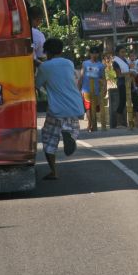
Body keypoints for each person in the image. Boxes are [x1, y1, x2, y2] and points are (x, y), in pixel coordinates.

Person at [35, 38, 84, 180]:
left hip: (56, 109)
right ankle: (69, 135)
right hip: (74, 105)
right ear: (61, 50)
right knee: (73, 128)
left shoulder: (45, 67)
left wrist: (37, 65)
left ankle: (54, 172)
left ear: (46, 52)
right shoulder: (68, 63)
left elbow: (37, 84)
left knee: (48, 138)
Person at [78, 45, 106, 131]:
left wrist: (105, 88)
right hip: (86, 89)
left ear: (98, 54)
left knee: (95, 108)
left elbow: (103, 78)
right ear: (89, 54)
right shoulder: (85, 63)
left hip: (96, 90)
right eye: (92, 53)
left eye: (96, 53)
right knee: (88, 108)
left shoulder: (101, 65)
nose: (94, 55)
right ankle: (90, 124)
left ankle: (94, 124)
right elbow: (81, 76)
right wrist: (78, 88)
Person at [112, 45, 138, 129]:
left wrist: (133, 72)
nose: (124, 54)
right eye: (122, 52)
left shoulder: (127, 60)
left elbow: (133, 68)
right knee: (123, 101)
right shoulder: (115, 62)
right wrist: (129, 73)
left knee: (135, 100)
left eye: (124, 52)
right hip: (122, 83)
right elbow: (119, 74)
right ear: (117, 53)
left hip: (130, 82)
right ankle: (119, 123)